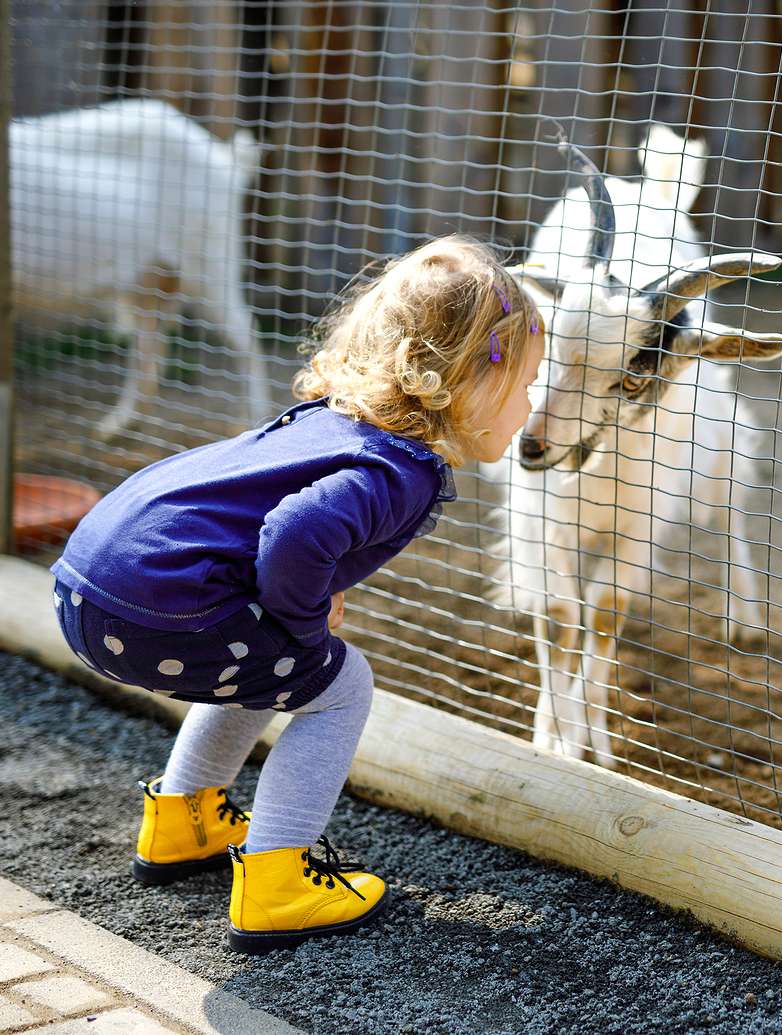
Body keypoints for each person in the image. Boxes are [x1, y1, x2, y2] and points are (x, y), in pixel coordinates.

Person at [51, 235, 545, 953]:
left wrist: (294, 615)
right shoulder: (397, 469)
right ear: (469, 378)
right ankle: (279, 878)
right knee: (338, 683)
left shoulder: (332, 422)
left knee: (271, 661)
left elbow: (270, 530)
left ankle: (183, 820)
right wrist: (306, 623)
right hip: (163, 610)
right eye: (526, 382)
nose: (533, 403)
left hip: (89, 591)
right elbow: (297, 532)